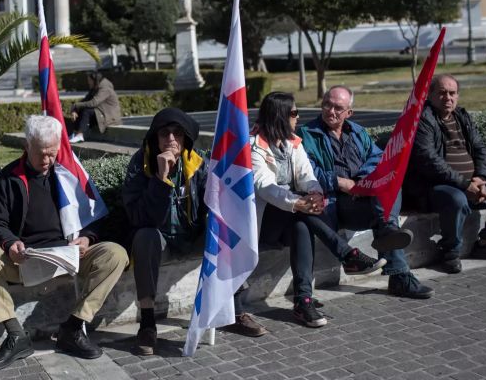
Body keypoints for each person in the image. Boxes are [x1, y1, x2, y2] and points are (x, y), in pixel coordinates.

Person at [0, 115, 128, 371]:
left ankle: (74, 328)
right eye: (41, 154)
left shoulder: (68, 173)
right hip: (26, 259)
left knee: (116, 254)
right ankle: (15, 336)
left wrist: (87, 238)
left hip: (69, 254)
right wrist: (11, 244)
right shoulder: (10, 177)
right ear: (27, 146)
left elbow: (94, 214)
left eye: (52, 153)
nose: (47, 160)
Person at [122, 107, 267, 356]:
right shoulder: (141, 164)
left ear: (185, 138)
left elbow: (214, 201)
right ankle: (147, 324)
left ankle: (237, 309)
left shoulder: (197, 162)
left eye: (177, 134)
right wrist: (160, 178)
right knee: (143, 237)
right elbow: (140, 217)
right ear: (155, 138)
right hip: (160, 236)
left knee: (226, 229)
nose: (170, 139)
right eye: (164, 133)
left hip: (192, 233)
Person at [252, 92, 385, 328]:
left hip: (292, 216)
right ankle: (347, 255)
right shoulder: (253, 146)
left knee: (301, 223)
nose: (298, 117)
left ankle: (303, 300)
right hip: (265, 222)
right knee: (297, 213)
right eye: (294, 113)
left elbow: (307, 176)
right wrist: (297, 202)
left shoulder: (293, 142)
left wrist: (313, 193)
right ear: (279, 116)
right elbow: (265, 187)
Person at [299, 86, 433, 306]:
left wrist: (362, 181)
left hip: (362, 197)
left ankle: (390, 241)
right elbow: (305, 171)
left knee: (390, 185)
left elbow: (377, 159)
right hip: (334, 203)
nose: (331, 111)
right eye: (327, 104)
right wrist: (340, 183)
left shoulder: (358, 132)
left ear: (349, 113)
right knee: (384, 217)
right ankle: (400, 273)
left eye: (338, 108)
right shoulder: (307, 134)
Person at [407, 74, 486, 274]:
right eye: (442, 93)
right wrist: (464, 184)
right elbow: (429, 160)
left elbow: (480, 150)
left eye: (452, 93)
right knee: (457, 199)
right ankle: (450, 251)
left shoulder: (461, 116)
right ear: (430, 95)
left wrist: (482, 179)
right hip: (436, 187)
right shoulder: (422, 120)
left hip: (471, 183)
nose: (448, 98)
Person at [69, 71, 122, 144]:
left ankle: (80, 135)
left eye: (89, 81)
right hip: (100, 113)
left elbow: (93, 103)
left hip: (109, 116)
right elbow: (84, 101)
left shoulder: (105, 88)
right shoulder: (95, 87)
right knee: (82, 109)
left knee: (87, 111)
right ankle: (74, 134)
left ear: (95, 80)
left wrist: (76, 105)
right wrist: (75, 109)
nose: (88, 83)